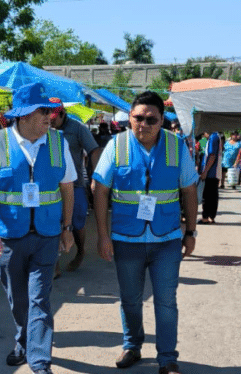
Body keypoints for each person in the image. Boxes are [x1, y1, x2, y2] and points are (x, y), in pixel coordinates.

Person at [93, 91, 198, 374]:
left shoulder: (177, 146)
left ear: (162, 120)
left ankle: (167, 359)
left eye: (151, 119)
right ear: (129, 118)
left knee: (166, 302)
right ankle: (132, 346)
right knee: (130, 299)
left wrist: (191, 232)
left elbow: (189, 190)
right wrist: (103, 235)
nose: (144, 124)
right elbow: (100, 190)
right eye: (138, 117)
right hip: (126, 239)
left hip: (166, 240)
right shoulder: (117, 145)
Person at [0, 82, 76, 374]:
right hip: (9, 237)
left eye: (52, 111)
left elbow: (68, 188)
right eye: (43, 111)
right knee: (18, 298)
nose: (50, 116)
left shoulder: (59, 143)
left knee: (39, 298)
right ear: (22, 115)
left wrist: (67, 227)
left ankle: (39, 360)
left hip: (46, 236)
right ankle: (23, 340)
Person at [50, 100, 101, 273]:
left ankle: (80, 251)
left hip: (76, 184)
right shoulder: (44, 128)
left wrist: (95, 177)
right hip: (52, 185)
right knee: (54, 222)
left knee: (77, 222)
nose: (50, 121)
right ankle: (54, 264)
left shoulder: (77, 128)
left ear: (63, 114)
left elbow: (94, 150)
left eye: (54, 118)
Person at [199, 130, 221, 224]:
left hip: (211, 173)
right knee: (213, 196)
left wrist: (205, 171)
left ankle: (206, 217)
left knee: (207, 196)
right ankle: (211, 216)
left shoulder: (213, 137)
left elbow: (212, 156)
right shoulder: (217, 136)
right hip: (214, 172)